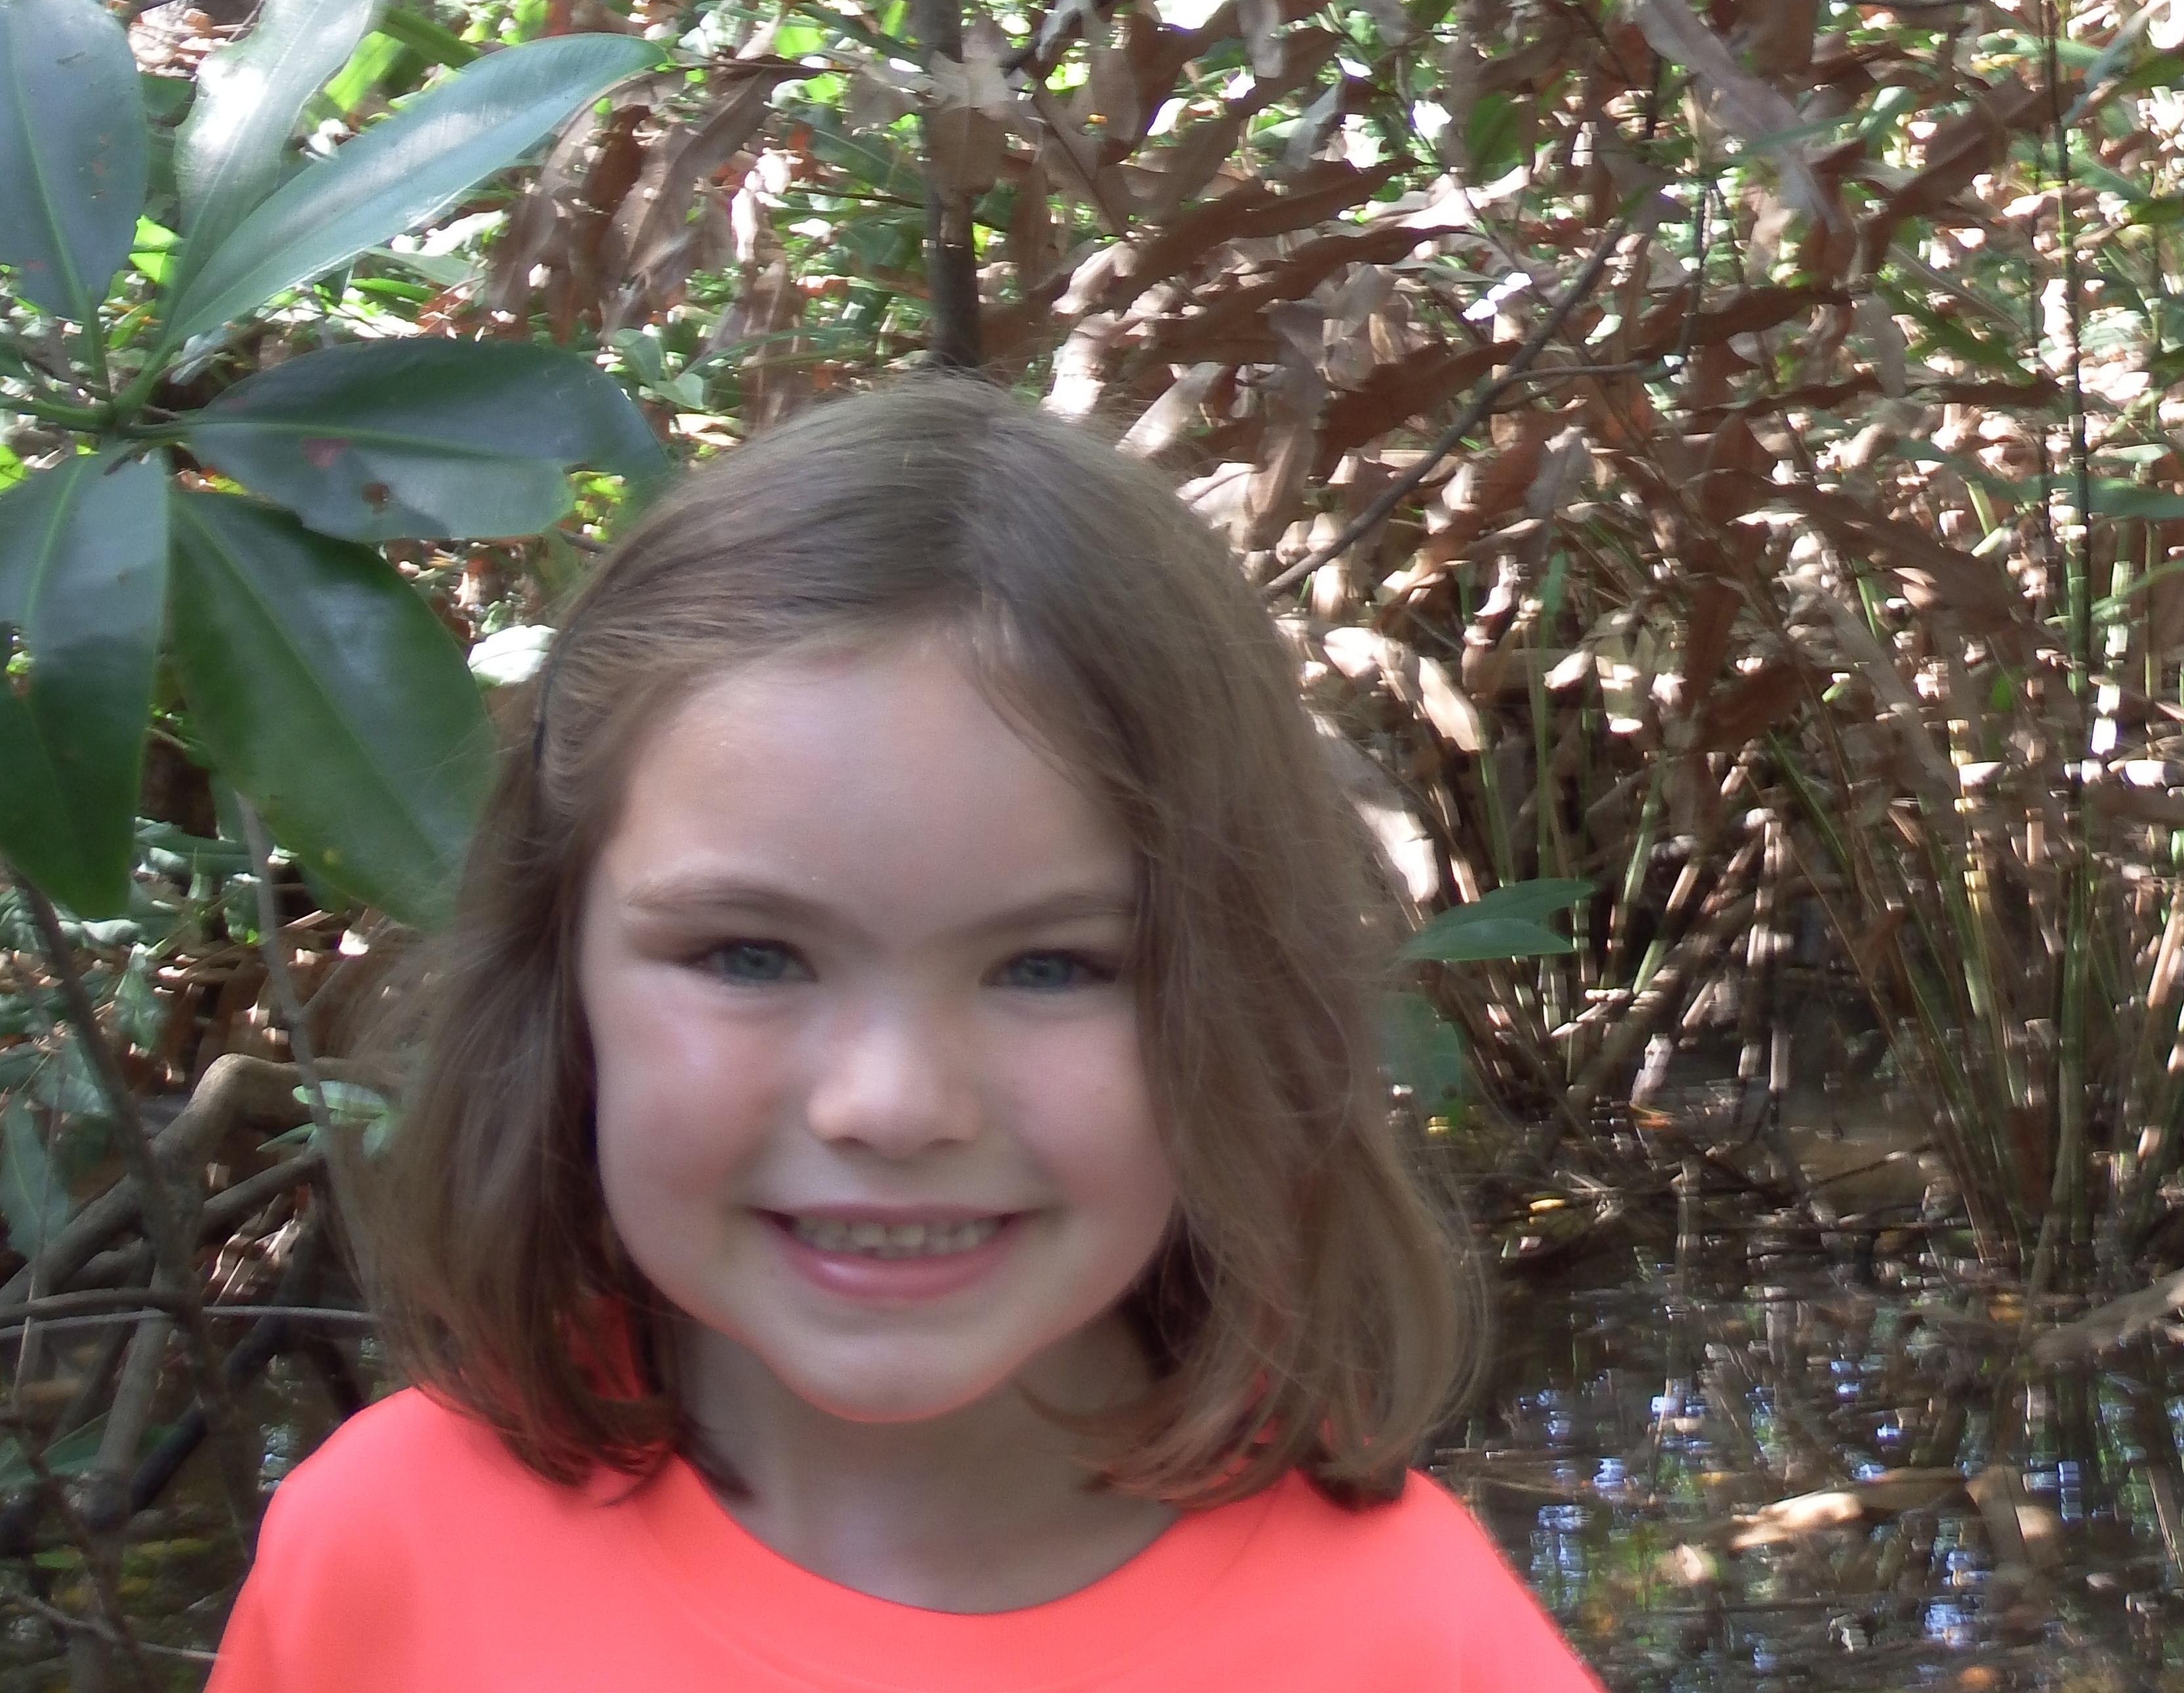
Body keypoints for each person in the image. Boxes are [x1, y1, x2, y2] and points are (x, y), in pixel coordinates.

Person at [211, 375, 1601, 1690]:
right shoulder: (385, 1554)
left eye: (1053, 967)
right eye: (750, 955)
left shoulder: (1411, 1640)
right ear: (556, 986)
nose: (890, 1104)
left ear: (1248, 1011)